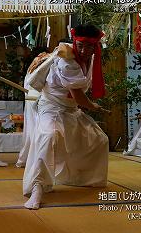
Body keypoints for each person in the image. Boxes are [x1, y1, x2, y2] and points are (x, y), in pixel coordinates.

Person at [22, 24, 109, 209]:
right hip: (51, 107)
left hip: (71, 109)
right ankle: (38, 187)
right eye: (81, 45)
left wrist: (88, 105)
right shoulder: (66, 59)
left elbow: (77, 98)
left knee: (99, 139)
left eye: (90, 46)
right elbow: (78, 95)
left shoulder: (91, 58)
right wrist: (93, 106)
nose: (85, 50)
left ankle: (80, 177)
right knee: (49, 138)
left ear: (96, 46)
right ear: (75, 42)